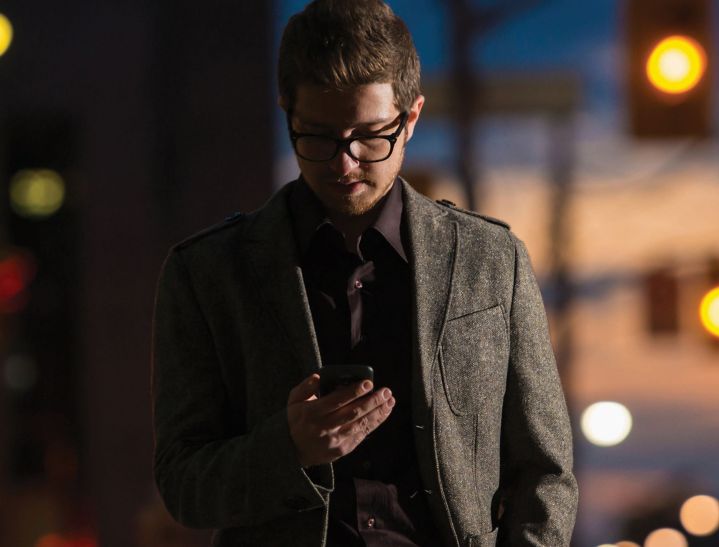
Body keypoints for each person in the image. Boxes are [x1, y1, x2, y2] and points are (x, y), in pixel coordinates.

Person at [150, 1, 578, 545]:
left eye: (371, 136)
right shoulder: (206, 274)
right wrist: (289, 449)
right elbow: (183, 485)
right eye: (319, 137)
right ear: (287, 114)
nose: (345, 164)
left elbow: (546, 472)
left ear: (412, 117)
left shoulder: (492, 260)